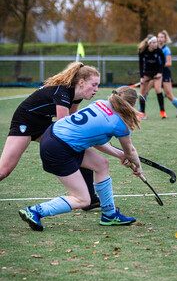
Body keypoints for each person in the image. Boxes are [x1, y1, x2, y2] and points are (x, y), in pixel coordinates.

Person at [18, 86, 143, 231]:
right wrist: (138, 168)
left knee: (101, 164)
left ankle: (109, 214)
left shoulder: (100, 103)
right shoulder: (119, 124)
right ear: (131, 105)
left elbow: (96, 140)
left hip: (53, 135)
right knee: (83, 199)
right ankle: (35, 211)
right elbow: (131, 151)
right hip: (59, 148)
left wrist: (120, 155)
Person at [0, 62, 101, 210]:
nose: (96, 89)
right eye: (94, 85)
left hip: (43, 123)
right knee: (4, 170)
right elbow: (64, 128)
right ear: (81, 82)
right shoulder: (63, 93)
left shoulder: (77, 95)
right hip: (25, 122)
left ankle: (90, 199)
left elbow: (73, 121)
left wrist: (85, 140)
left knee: (81, 150)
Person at [157, 30, 177, 117]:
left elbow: (169, 63)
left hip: (165, 72)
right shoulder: (155, 49)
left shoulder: (166, 49)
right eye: (158, 37)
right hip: (157, 73)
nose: (160, 39)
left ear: (165, 39)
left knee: (169, 94)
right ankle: (141, 111)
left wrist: (159, 65)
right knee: (145, 90)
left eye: (162, 37)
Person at [138, 34, 167, 119]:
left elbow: (163, 62)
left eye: (156, 42)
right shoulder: (143, 51)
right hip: (147, 73)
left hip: (157, 74)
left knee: (158, 90)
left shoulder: (159, 51)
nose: (156, 44)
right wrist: (142, 77)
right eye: (154, 42)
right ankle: (142, 113)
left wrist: (160, 73)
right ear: (149, 43)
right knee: (143, 92)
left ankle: (162, 112)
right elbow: (140, 64)